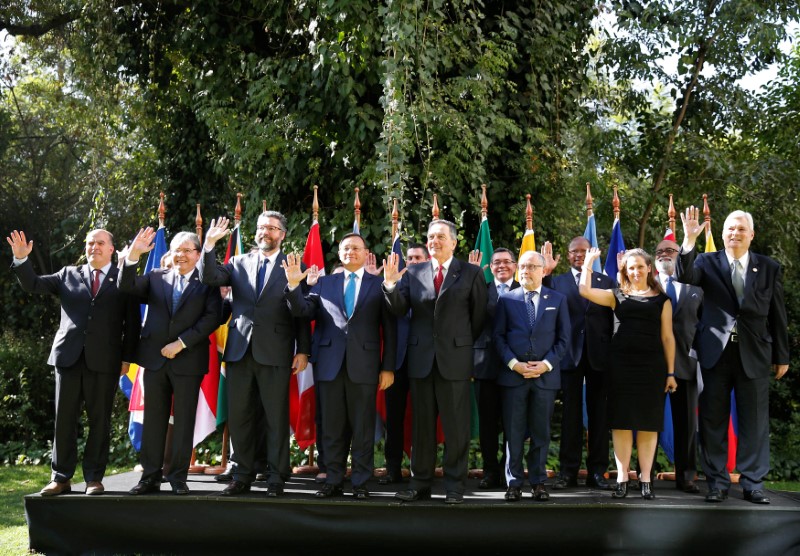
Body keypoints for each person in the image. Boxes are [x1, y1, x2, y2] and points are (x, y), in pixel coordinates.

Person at [7, 229, 139, 496]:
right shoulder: (68, 274)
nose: (94, 247)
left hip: (105, 361)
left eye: (100, 243)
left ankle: (93, 478)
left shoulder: (123, 279)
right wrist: (22, 261)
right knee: (64, 420)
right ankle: (61, 477)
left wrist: (127, 358)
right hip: (68, 358)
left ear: (112, 249)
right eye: (90, 243)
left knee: (99, 421)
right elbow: (33, 284)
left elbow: (132, 324)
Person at [676, 208, 789, 504]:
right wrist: (688, 241)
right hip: (715, 353)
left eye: (741, 229)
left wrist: (782, 354)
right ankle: (717, 483)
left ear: (751, 235)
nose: (735, 233)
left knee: (755, 421)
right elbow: (685, 277)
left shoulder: (768, 267)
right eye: (730, 228)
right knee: (713, 420)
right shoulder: (705, 261)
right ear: (723, 233)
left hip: (754, 353)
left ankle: (752, 483)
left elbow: (778, 314)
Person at [199, 213, 311, 497]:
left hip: (275, 352)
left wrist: (304, 350)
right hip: (240, 350)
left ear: (282, 234)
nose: (265, 233)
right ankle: (242, 475)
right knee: (240, 417)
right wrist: (209, 246)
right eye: (261, 228)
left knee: (275, 418)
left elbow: (301, 315)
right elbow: (208, 276)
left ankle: (276, 477)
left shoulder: (295, 266)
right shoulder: (238, 263)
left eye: (271, 229)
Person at [283, 234, 397, 499]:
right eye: (345, 248)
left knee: (363, 427)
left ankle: (360, 482)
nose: (350, 252)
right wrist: (292, 286)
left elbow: (390, 328)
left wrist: (388, 366)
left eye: (356, 248)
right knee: (332, 428)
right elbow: (303, 312)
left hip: (365, 366)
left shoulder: (379, 284)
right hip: (329, 365)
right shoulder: (324, 283)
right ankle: (333, 479)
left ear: (365, 252)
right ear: (340, 253)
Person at [382, 219, 487, 504]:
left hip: (454, 360)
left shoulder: (471, 273)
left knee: (456, 428)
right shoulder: (413, 272)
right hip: (422, 360)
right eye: (430, 237)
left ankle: (454, 486)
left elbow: (477, 318)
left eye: (440, 237)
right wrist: (390, 285)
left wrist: (458, 343)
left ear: (454, 242)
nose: (434, 241)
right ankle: (420, 484)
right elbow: (399, 309)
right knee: (422, 427)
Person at [120, 228, 222, 496]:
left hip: (188, 361)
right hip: (154, 361)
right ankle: (150, 478)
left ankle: (177, 477)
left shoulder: (207, 282)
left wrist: (181, 343)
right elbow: (126, 286)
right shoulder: (155, 277)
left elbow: (212, 318)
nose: (182, 255)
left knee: (184, 421)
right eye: (177, 250)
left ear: (198, 255)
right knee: (154, 421)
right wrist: (132, 257)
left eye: (188, 250)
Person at [579, 247, 677, 500]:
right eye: (630, 268)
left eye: (640, 267)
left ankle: (646, 480)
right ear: (625, 270)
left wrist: (670, 373)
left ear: (649, 268)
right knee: (621, 424)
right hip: (620, 366)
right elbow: (585, 291)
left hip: (652, 368)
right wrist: (589, 262)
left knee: (648, 424)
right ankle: (622, 478)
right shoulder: (617, 295)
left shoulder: (662, 300)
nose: (635, 271)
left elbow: (668, 338)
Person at [494, 251, 570, 501]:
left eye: (531, 267)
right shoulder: (506, 299)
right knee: (513, 433)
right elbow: (499, 337)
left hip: (544, 378)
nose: (525, 271)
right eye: (522, 267)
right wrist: (514, 364)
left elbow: (564, 338)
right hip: (513, 377)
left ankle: (538, 482)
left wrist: (546, 364)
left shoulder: (557, 299)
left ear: (543, 270)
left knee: (540, 432)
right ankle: (513, 482)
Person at [542, 237, 615, 490]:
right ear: (568, 254)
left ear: (592, 253)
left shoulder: (606, 281)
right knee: (570, 417)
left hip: (599, 356)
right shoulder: (557, 281)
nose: (579, 255)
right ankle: (568, 472)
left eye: (584, 251)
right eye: (574, 252)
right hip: (568, 356)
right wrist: (546, 274)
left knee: (599, 416)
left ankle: (598, 472)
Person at [654, 239, 703, 493]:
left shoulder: (697, 288)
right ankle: (645, 476)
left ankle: (687, 477)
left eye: (670, 251)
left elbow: (705, 326)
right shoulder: (647, 287)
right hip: (652, 365)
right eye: (660, 252)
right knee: (648, 421)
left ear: (679, 256)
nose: (665, 254)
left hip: (686, 364)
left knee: (686, 424)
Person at [380, 243, 430, 485]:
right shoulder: (392, 287)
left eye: (418, 257)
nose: (412, 261)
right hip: (396, 363)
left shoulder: (434, 285)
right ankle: (392, 469)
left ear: (428, 259)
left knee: (424, 418)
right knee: (394, 419)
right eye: (409, 258)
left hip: (424, 362)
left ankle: (422, 470)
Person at [472, 247, 519, 489]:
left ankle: (509, 469)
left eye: (507, 262)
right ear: (490, 267)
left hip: (516, 367)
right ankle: (490, 471)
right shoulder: (480, 290)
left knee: (514, 423)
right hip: (485, 365)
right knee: (488, 425)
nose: (501, 266)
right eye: (496, 262)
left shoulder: (523, 290)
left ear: (515, 265)